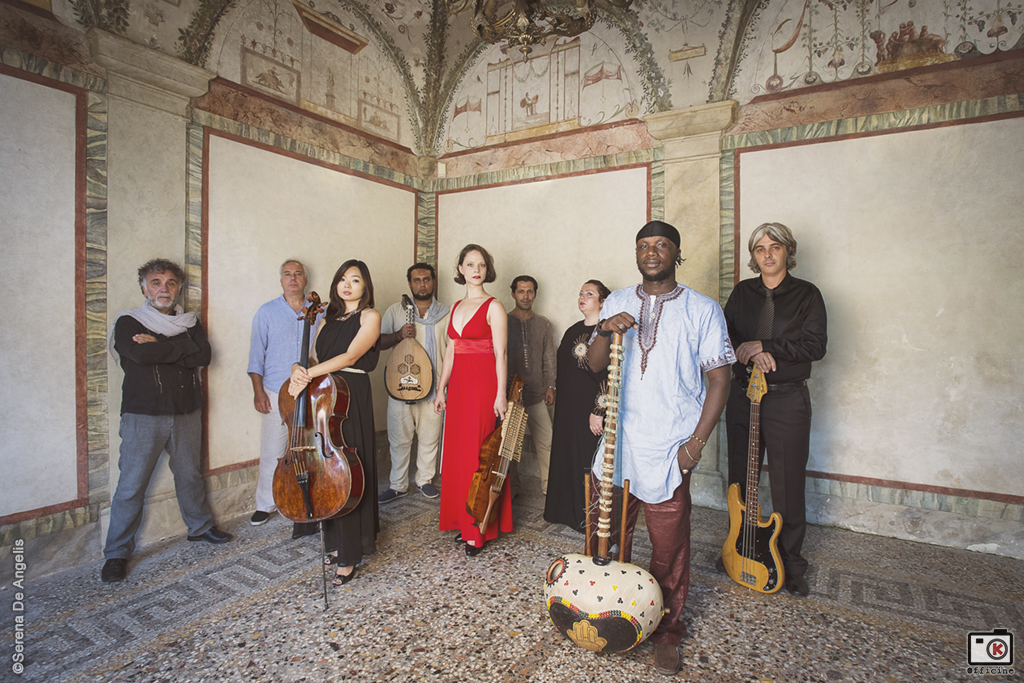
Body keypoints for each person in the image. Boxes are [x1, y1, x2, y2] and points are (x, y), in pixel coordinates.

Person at [587, 221, 734, 676]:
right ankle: (610, 615)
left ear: (676, 253)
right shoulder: (616, 300)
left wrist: (696, 443)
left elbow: (720, 379)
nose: (652, 252)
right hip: (617, 443)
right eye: (644, 246)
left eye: (661, 245)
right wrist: (605, 327)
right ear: (636, 253)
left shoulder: (703, 309)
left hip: (669, 446)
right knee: (606, 536)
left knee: (668, 548)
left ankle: (667, 630)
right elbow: (594, 364)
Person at [101, 259, 233, 583]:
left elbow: (204, 355)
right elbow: (142, 356)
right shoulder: (129, 322)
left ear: (179, 289)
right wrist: (181, 348)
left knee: (189, 475)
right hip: (143, 415)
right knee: (131, 485)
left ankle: (200, 528)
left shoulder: (190, 322)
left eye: (171, 283)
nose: (164, 289)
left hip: (186, 411)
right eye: (156, 282)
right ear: (144, 288)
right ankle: (116, 553)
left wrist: (162, 345)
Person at [723, 222, 827, 598]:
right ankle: (741, 546)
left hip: (785, 399)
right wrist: (744, 350)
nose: (767, 254)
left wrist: (765, 346)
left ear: (788, 252)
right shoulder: (742, 293)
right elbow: (726, 335)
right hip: (743, 396)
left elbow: (815, 345)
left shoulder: (807, 295)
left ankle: (790, 562)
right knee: (741, 477)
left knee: (787, 483)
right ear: (753, 257)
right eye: (760, 248)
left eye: (775, 247)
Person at [288, 260, 381, 585]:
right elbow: (313, 357)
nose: (347, 284)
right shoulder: (325, 319)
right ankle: (336, 541)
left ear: (365, 286)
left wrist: (308, 374)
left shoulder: (370, 316)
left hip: (350, 393)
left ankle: (351, 552)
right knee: (328, 469)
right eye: (343, 278)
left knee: (349, 466)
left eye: (355, 279)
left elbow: (352, 356)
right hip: (324, 395)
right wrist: (297, 369)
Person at [434, 245, 509, 556]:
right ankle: (465, 522)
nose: (476, 269)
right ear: (461, 269)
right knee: (459, 454)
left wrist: (500, 394)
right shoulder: (454, 307)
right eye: (469, 264)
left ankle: (479, 530)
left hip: (483, 387)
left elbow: (501, 354)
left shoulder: (494, 307)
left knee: (479, 457)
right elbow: (451, 351)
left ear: (487, 269)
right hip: (459, 387)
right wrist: (441, 388)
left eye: (481, 264)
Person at [247, 259, 322, 538]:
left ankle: (311, 496)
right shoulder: (266, 312)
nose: (293, 278)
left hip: (312, 390)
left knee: (312, 446)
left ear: (305, 279)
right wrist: (258, 391)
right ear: (281, 280)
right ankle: (265, 503)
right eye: (287, 274)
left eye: (298, 274)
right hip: (275, 391)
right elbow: (256, 355)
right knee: (273, 450)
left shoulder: (319, 312)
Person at [378, 263, 450, 502]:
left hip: (435, 389)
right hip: (401, 386)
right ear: (409, 283)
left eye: (426, 280)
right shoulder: (395, 311)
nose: (422, 284)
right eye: (417, 280)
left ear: (433, 282)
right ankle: (398, 485)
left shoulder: (446, 314)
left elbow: (453, 352)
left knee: (430, 437)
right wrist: (399, 335)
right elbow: (378, 342)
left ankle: (424, 480)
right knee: (399, 438)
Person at [543, 279, 611, 532]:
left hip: (590, 410)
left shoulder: (608, 332)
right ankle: (562, 511)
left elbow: (609, 375)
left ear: (603, 302)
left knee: (586, 459)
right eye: (581, 293)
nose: (582, 297)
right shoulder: (573, 330)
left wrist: (599, 411)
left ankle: (586, 518)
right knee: (565, 456)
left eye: (590, 294)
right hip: (567, 408)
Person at [505, 275, 557, 496]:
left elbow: (549, 357)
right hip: (510, 394)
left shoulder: (543, 324)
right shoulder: (503, 321)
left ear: (535, 294)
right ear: (513, 294)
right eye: (521, 291)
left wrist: (551, 386)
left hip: (536, 392)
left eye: (530, 292)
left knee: (547, 441)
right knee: (511, 445)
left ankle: (549, 487)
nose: (526, 296)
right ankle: (513, 489)